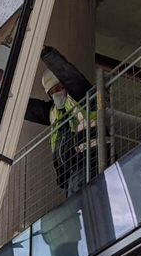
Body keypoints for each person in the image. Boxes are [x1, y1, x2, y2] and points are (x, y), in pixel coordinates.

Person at [25, 46, 95, 198]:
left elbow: (70, 75)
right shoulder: (52, 112)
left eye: (59, 88)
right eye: (52, 92)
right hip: (71, 174)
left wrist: (45, 53)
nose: (56, 93)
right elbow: (25, 107)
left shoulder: (82, 98)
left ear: (66, 86)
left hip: (92, 161)